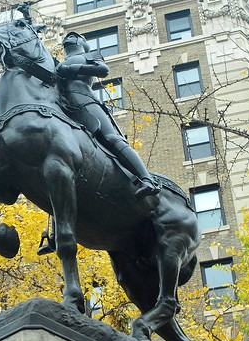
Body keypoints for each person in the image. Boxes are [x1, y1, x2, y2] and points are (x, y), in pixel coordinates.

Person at [37, 32, 161, 255]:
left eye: (76, 36)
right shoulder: (59, 63)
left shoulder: (90, 56)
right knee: (60, 167)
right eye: (68, 36)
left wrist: (71, 70)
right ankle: (55, 234)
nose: (70, 37)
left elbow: (102, 70)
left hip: (86, 103)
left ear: (83, 43)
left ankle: (146, 179)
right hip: (65, 110)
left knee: (111, 138)